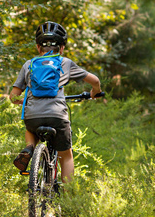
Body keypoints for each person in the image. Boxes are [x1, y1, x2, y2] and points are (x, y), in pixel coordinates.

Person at [9, 21, 102, 183]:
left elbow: (13, 96)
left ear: (38, 47)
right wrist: (95, 92)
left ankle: (29, 148)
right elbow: (95, 80)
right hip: (57, 115)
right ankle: (68, 198)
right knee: (66, 156)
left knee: (30, 129)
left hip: (33, 116)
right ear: (62, 48)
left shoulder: (28, 65)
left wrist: (20, 101)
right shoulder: (65, 63)